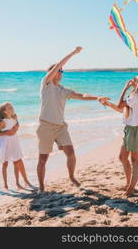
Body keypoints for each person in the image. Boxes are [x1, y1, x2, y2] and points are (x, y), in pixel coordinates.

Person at [36, 46, 110, 192]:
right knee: (43, 159)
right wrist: (72, 53)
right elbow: (57, 66)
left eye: (62, 71)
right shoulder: (46, 84)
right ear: (52, 73)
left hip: (61, 127)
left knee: (71, 154)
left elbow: (81, 96)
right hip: (45, 127)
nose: (61, 73)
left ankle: (71, 177)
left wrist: (97, 98)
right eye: (59, 71)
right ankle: (41, 187)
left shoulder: (63, 90)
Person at [99, 74, 138, 196]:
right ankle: (128, 184)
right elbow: (123, 110)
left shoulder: (136, 95)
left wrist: (125, 88)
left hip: (135, 131)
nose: (132, 80)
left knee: (135, 161)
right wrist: (108, 104)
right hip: (130, 130)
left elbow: (120, 105)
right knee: (122, 157)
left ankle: (130, 189)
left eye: (135, 79)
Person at [0, 102, 35, 190]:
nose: (11, 109)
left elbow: (17, 125)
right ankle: (5, 184)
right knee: (5, 164)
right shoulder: (3, 122)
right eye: (9, 108)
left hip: (14, 141)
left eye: (11, 107)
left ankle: (18, 183)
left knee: (16, 162)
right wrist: (7, 132)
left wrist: (15, 129)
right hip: (5, 142)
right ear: (4, 111)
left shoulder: (14, 117)